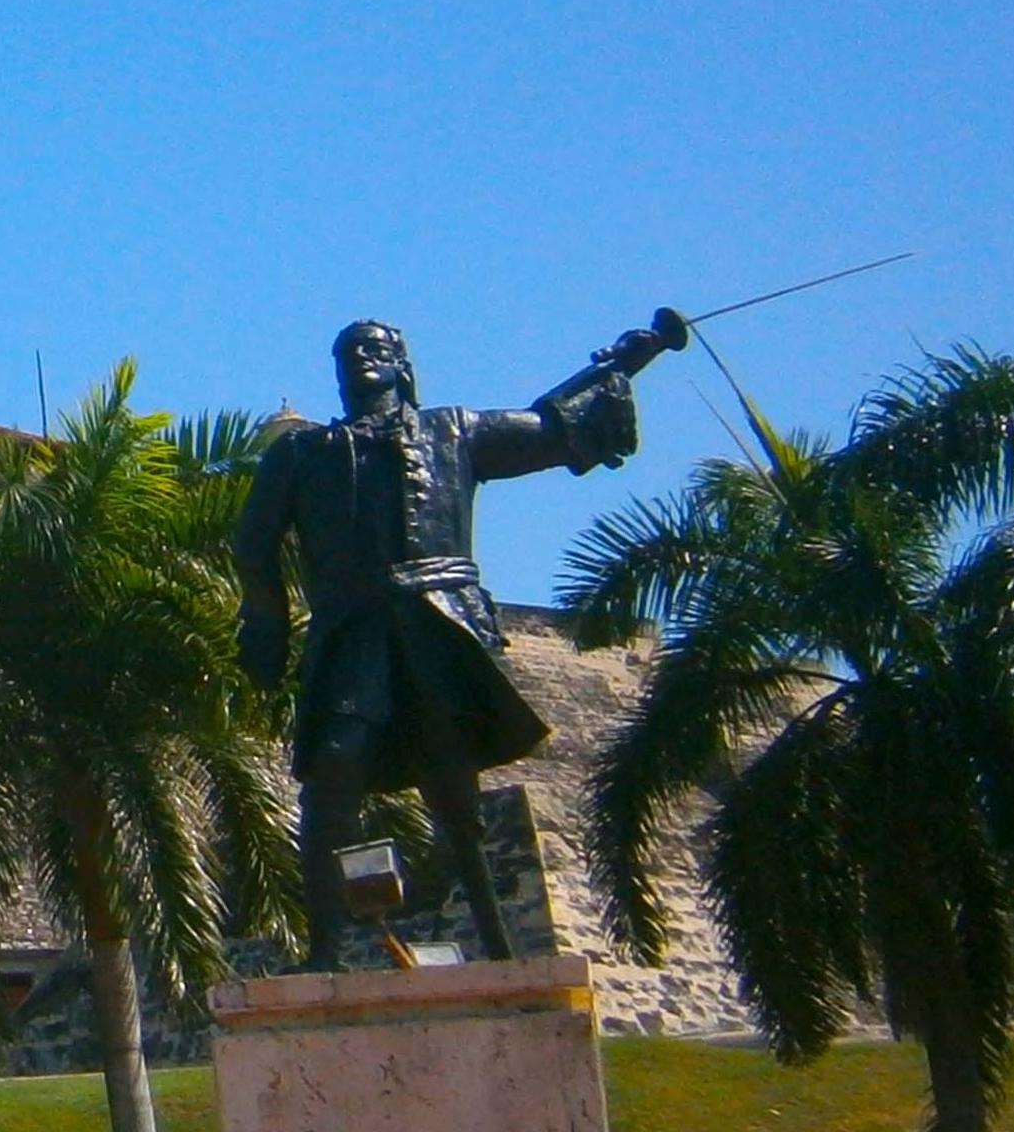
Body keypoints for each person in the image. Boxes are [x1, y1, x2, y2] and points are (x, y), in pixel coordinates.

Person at [230, 312, 680, 960]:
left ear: (400, 364)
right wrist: (268, 628)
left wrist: (621, 365)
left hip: (437, 622)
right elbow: (252, 549)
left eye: (376, 347)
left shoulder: (454, 431)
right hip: (354, 630)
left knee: (453, 785)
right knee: (332, 770)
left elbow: (548, 428)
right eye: (350, 350)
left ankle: (498, 945)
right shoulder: (299, 454)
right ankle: (323, 952)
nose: (362, 356)